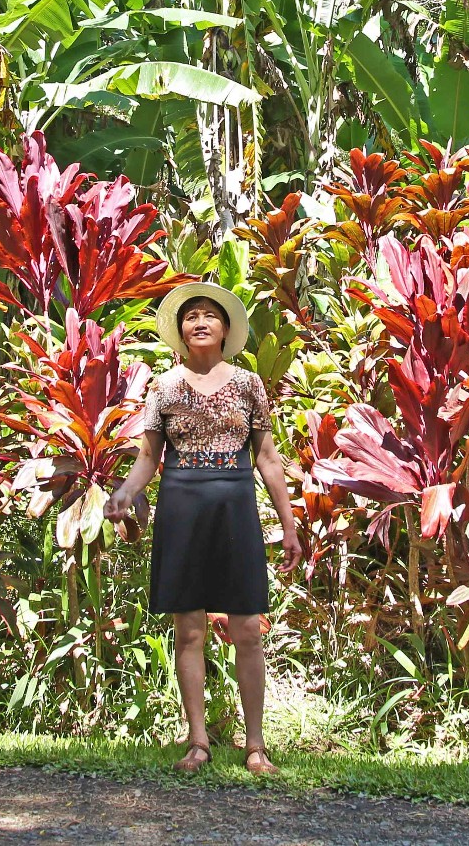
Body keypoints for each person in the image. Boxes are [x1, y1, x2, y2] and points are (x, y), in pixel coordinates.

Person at [105, 281, 300, 774]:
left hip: (235, 509)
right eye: (190, 315)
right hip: (181, 509)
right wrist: (126, 492)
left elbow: (268, 459)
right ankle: (198, 743)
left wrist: (290, 525)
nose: (200, 321)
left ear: (226, 329)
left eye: (210, 315)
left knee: (248, 628)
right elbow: (148, 457)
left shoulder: (249, 384)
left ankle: (256, 746)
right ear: (180, 329)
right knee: (188, 630)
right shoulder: (164, 387)